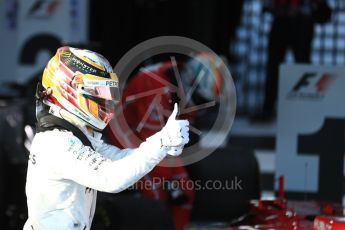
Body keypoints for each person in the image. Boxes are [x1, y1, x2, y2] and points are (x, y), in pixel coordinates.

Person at [24, 46, 190, 230]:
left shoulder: (76, 134)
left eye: (106, 93)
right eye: (97, 92)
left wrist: (162, 143)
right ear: (69, 89)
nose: (104, 100)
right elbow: (111, 178)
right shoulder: (57, 142)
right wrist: (162, 142)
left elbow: (120, 160)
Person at [108, 53, 224, 230]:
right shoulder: (154, 88)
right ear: (190, 82)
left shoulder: (178, 76)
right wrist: (169, 182)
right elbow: (154, 143)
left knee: (185, 192)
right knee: (157, 195)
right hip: (125, 139)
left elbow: (182, 126)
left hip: (155, 138)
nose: (200, 106)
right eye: (200, 99)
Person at [261, 0, 315, 119]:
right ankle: (268, 108)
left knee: (303, 65)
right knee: (274, 66)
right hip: (282, 17)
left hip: (302, 19)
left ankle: (307, 107)